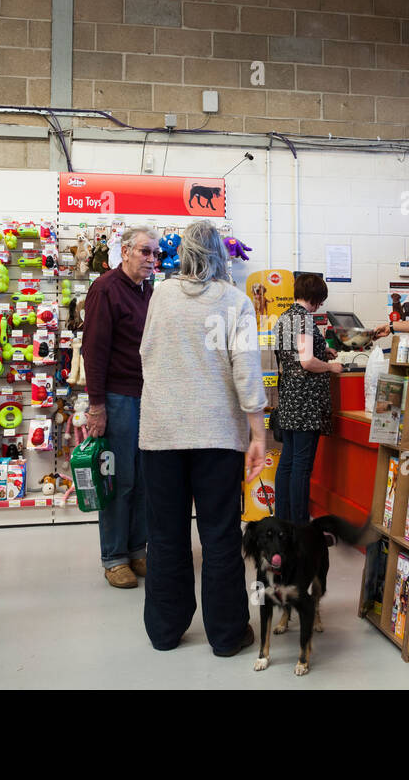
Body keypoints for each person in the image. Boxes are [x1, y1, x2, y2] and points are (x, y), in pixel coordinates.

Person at [138, 219, 266, 657]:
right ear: (222, 255)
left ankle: (164, 630)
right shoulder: (235, 301)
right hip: (217, 435)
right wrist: (258, 435)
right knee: (220, 535)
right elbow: (246, 370)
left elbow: (146, 354)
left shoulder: (160, 296)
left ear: (182, 252)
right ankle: (228, 635)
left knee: (166, 534)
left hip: (161, 432)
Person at [80, 225, 157, 589]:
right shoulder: (105, 289)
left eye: (156, 254)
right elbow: (93, 351)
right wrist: (97, 406)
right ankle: (114, 557)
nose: (152, 260)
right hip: (117, 397)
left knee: (143, 478)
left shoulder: (147, 290)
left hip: (146, 396)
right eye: (145, 252)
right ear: (125, 251)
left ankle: (137, 550)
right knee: (120, 479)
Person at [272, 273, 342, 527]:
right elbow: (307, 362)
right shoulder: (303, 319)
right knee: (301, 466)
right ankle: (300, 526)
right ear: (314, 298)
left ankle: (283, 521)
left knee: (287, 462)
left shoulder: (285, 317)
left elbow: (293, 355)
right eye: (320, 300)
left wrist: (323, 350)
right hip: (306, 402)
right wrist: (331, 367)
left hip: (290, 396)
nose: (320, 305)